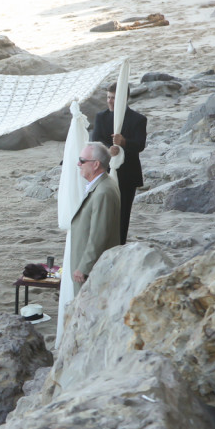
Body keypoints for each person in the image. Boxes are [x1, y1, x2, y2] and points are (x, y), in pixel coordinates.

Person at [90, 82, 147, 244]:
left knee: (123, 214)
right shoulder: (101, 117)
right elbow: (96, 141)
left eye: (114, 98)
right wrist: (108, 149)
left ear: (125, 98)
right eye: (108, 97)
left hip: (128, 174)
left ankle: (119, 243)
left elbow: (140, 145)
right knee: (103, 210)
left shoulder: (138, 119)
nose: (109, 101)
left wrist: (124, 142)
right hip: (104, 172)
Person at [70, 143, 121, 295]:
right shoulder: (102, 185)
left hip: (91, 269)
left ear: (96, 164)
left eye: (82, 160)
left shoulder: (103, 192)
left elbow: (99, 235)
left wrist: (84, 267)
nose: (79, 164)